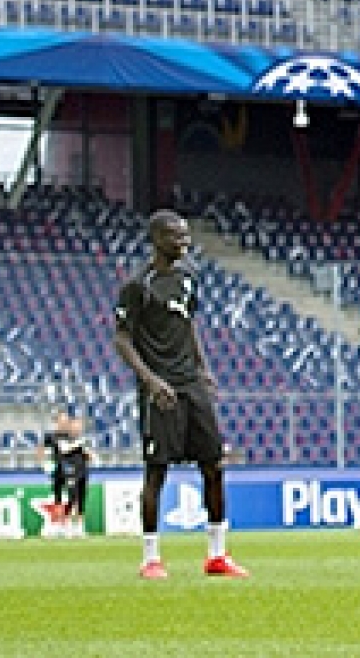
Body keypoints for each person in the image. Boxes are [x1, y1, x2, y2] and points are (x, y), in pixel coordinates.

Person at [113, 209, 247, 580]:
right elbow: (121, 339)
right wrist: (150, 381)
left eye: (186, 235)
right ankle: (151, 558)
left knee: (214, 466)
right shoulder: (139, 285)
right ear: (157, 239)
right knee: (157, 471)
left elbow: (187, 325)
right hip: (161, 388)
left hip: (190, 383)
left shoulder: (189, 276)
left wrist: (203, 369)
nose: (184, 241)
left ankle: (217, 555)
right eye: (176, 235)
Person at [39, 412, 92, 538]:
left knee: (76, 497)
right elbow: (43, 449)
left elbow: (83, 453)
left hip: (73, 470)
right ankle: (59, 525)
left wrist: (86, 453)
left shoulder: (71, 436)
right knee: (59, 498)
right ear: (57, 422)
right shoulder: (51, 436)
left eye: (66, 420)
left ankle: (76, 526)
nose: (64, 423)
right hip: (58, 469)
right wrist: (43, 463)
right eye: (62, 420)